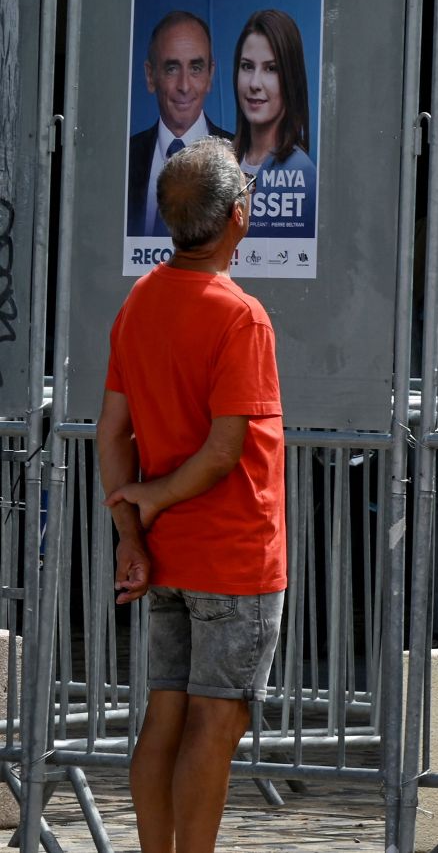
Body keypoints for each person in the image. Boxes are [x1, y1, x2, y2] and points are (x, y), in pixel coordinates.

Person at [97, 138, 286, 853]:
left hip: (167, 555)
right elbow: (222, 453)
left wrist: (133, 530)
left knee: (166, 718)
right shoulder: (241, 317)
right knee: (214, 724)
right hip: (235, 556)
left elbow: (112, 434)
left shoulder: (141, 300)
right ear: (238, 216)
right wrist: (146, 503)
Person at [127, 11, 232, 239]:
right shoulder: (123, 158)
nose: (184, 86)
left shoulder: (240, 155)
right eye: (172, 68)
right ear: (150, 76)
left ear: (210, 75)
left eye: (195, 68)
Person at [231, 9, 316, 235]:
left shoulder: (301, 172)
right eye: (247, 66)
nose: (255, 83)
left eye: (271, 69)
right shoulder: (226, 160)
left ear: (291, 77)